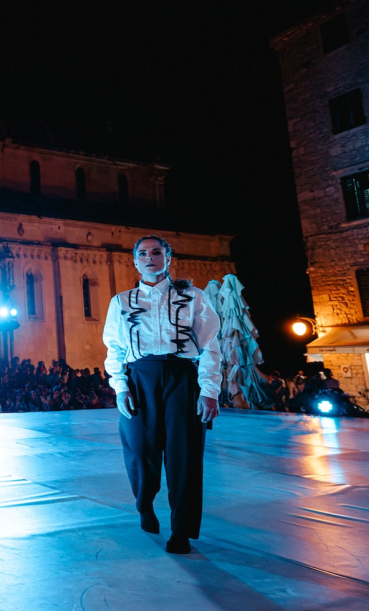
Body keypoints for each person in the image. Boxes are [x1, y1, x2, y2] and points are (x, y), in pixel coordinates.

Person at [102, 235, 221, 555]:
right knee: (140, 450)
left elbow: (210, 345)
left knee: (185, 455)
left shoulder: (193, 297)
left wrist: (209, 390)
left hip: (182, 377)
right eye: (143, 253)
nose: (149, 257)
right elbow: (114, 347)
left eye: (156, 252)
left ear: (168, 258)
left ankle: (181, 530)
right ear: (135, 261)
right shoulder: (121, 301)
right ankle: (144, 504)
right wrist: (120, 387)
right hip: (140, 377)